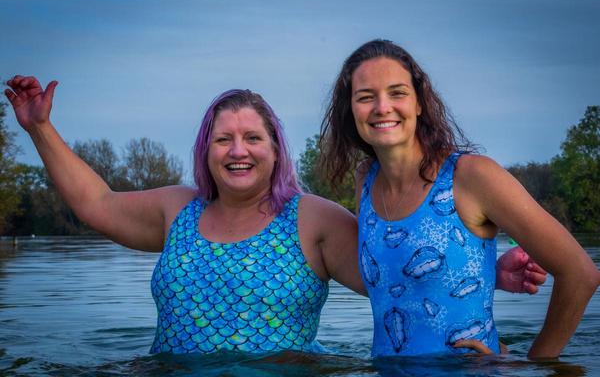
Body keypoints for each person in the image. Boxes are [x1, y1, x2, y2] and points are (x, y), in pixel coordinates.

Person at [4, 76, 545, 355]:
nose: (238, 150)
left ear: (275, 149)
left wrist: (488, 274)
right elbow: (95, 204)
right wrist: (40, 128)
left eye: (252, 138)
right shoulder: (176, 210)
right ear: (206, 150)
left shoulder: (312, 219)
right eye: (224, 138)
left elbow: (395, 278)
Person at [319, 39, 600, 358]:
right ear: (350, 109)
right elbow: (397, 285)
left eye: (397, 93)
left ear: (419, 103)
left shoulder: (471, 176)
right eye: (366, 97)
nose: (382, 107)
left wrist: (535, 365)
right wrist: (490, 275)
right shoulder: (365, 181)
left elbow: (580, 273)